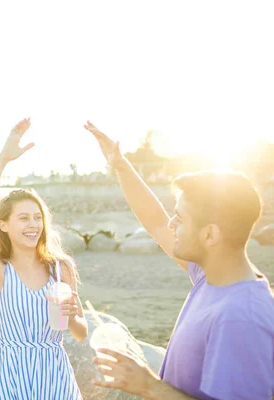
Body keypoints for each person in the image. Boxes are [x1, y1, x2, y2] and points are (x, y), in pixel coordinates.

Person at [84, 121, 274, 400]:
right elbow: (156, 221)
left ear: (210, 235)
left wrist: (148, 385)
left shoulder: (238, 317)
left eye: (180, 218)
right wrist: (121, 166)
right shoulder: (214, 276)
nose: (171, 224)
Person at [0, 118, 87, 400]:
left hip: (55, 378)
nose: (33, 225)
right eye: (23, 218)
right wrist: (1, 161)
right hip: (10, 378)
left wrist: (71, 316)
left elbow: (81, 333)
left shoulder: (60, 268)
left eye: (37, 218)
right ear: (5, 225)